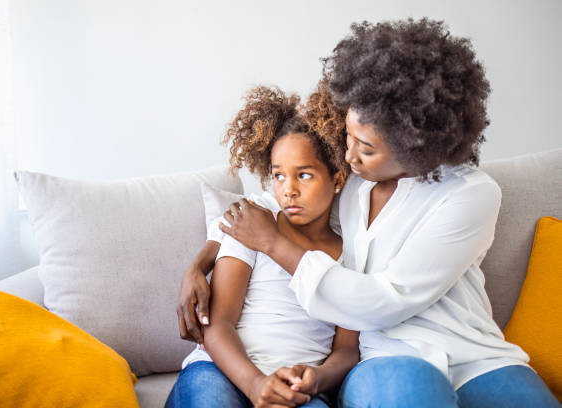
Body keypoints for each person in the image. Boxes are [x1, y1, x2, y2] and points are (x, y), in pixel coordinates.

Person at [177, 19, 560, 407]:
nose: (348, 155)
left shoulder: (471, 193)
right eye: (348, 136)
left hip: (472, 356)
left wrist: (275, 245)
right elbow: (272, 201)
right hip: (389, 357)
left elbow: (384, 301)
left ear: (415, 146)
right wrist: (200, 264)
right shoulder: (351, 182)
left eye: (366, 148)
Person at [166, 84, 360, 408]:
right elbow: (219, 324)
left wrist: (317, 380)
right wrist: (256, 384)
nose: (289, 190)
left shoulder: (350, 254)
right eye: (279, 175)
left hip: (297, 388)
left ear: (337, 179)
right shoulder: (253, 224)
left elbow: (346, 350)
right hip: (220, 370)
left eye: (305, 175)